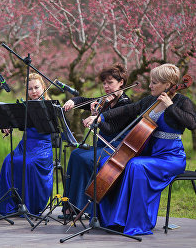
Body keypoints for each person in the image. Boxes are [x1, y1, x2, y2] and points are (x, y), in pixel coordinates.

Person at [83, 63, 196, 235]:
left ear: (167, 85)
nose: (150, 85)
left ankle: (136, 222)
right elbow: (128, 109)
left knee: (136, 165)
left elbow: (191, 123)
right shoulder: (150, 101)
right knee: (107, 162)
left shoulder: (182, 101)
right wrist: (100, 117)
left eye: (154, 82)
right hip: (150, 154)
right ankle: (113, 220)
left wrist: (170, 106)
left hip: (170, 158)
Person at [61, 63, 131, 217]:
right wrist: (74, 101)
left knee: (85, 159)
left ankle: (81, 206)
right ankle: (71, 204)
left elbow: (111, 129)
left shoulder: (126, 104)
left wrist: (97, 117)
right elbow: (84, 100)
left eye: (110, 83)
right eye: (104, 83)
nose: (106, 86)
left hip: (114, 148)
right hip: (101, 145)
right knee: (75, 155)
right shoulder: (105, 101)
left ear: (121, 83)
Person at [0, 73, 54, 215]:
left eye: (36, 88)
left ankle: (30, 205)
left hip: (42, 148)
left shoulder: (50, 106)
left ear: (43, 87)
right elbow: (15, 122)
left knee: (28, 163)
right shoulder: (24, 106)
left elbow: (54, 129)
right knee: (9, 160)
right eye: (30, 89)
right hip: (25, 145)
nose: (33, 92)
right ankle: (10, 204)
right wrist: (6, 126)